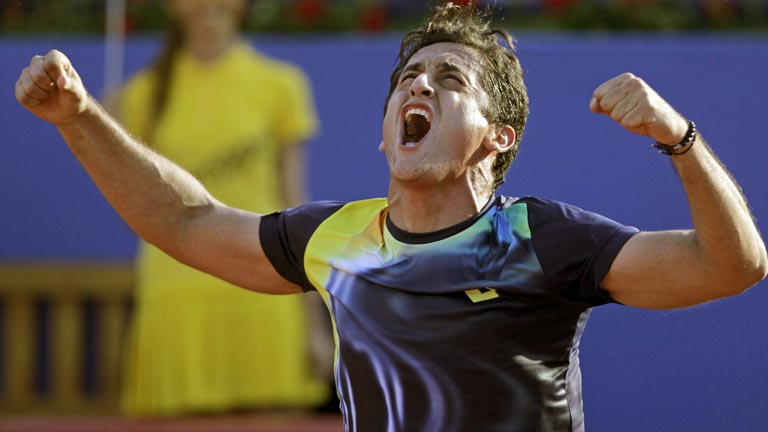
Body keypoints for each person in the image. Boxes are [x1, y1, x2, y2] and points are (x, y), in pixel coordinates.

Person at [15, 3, 767, 431]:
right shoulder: (334, 239)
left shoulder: (541, 239)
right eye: (409, 76)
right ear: (385, 132)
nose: (420, 86)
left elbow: (731, 266)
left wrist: (679, 137)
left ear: (498, 138)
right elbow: (185, 222)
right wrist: (79, 118)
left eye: (450, 78)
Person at [106, 0, 332, 417]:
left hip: (264, 290)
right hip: (176, 299)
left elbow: (294, 208)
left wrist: (313, 324)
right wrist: (109, 137)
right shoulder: (138, 95)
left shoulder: (280, 84)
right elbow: (137, 217)